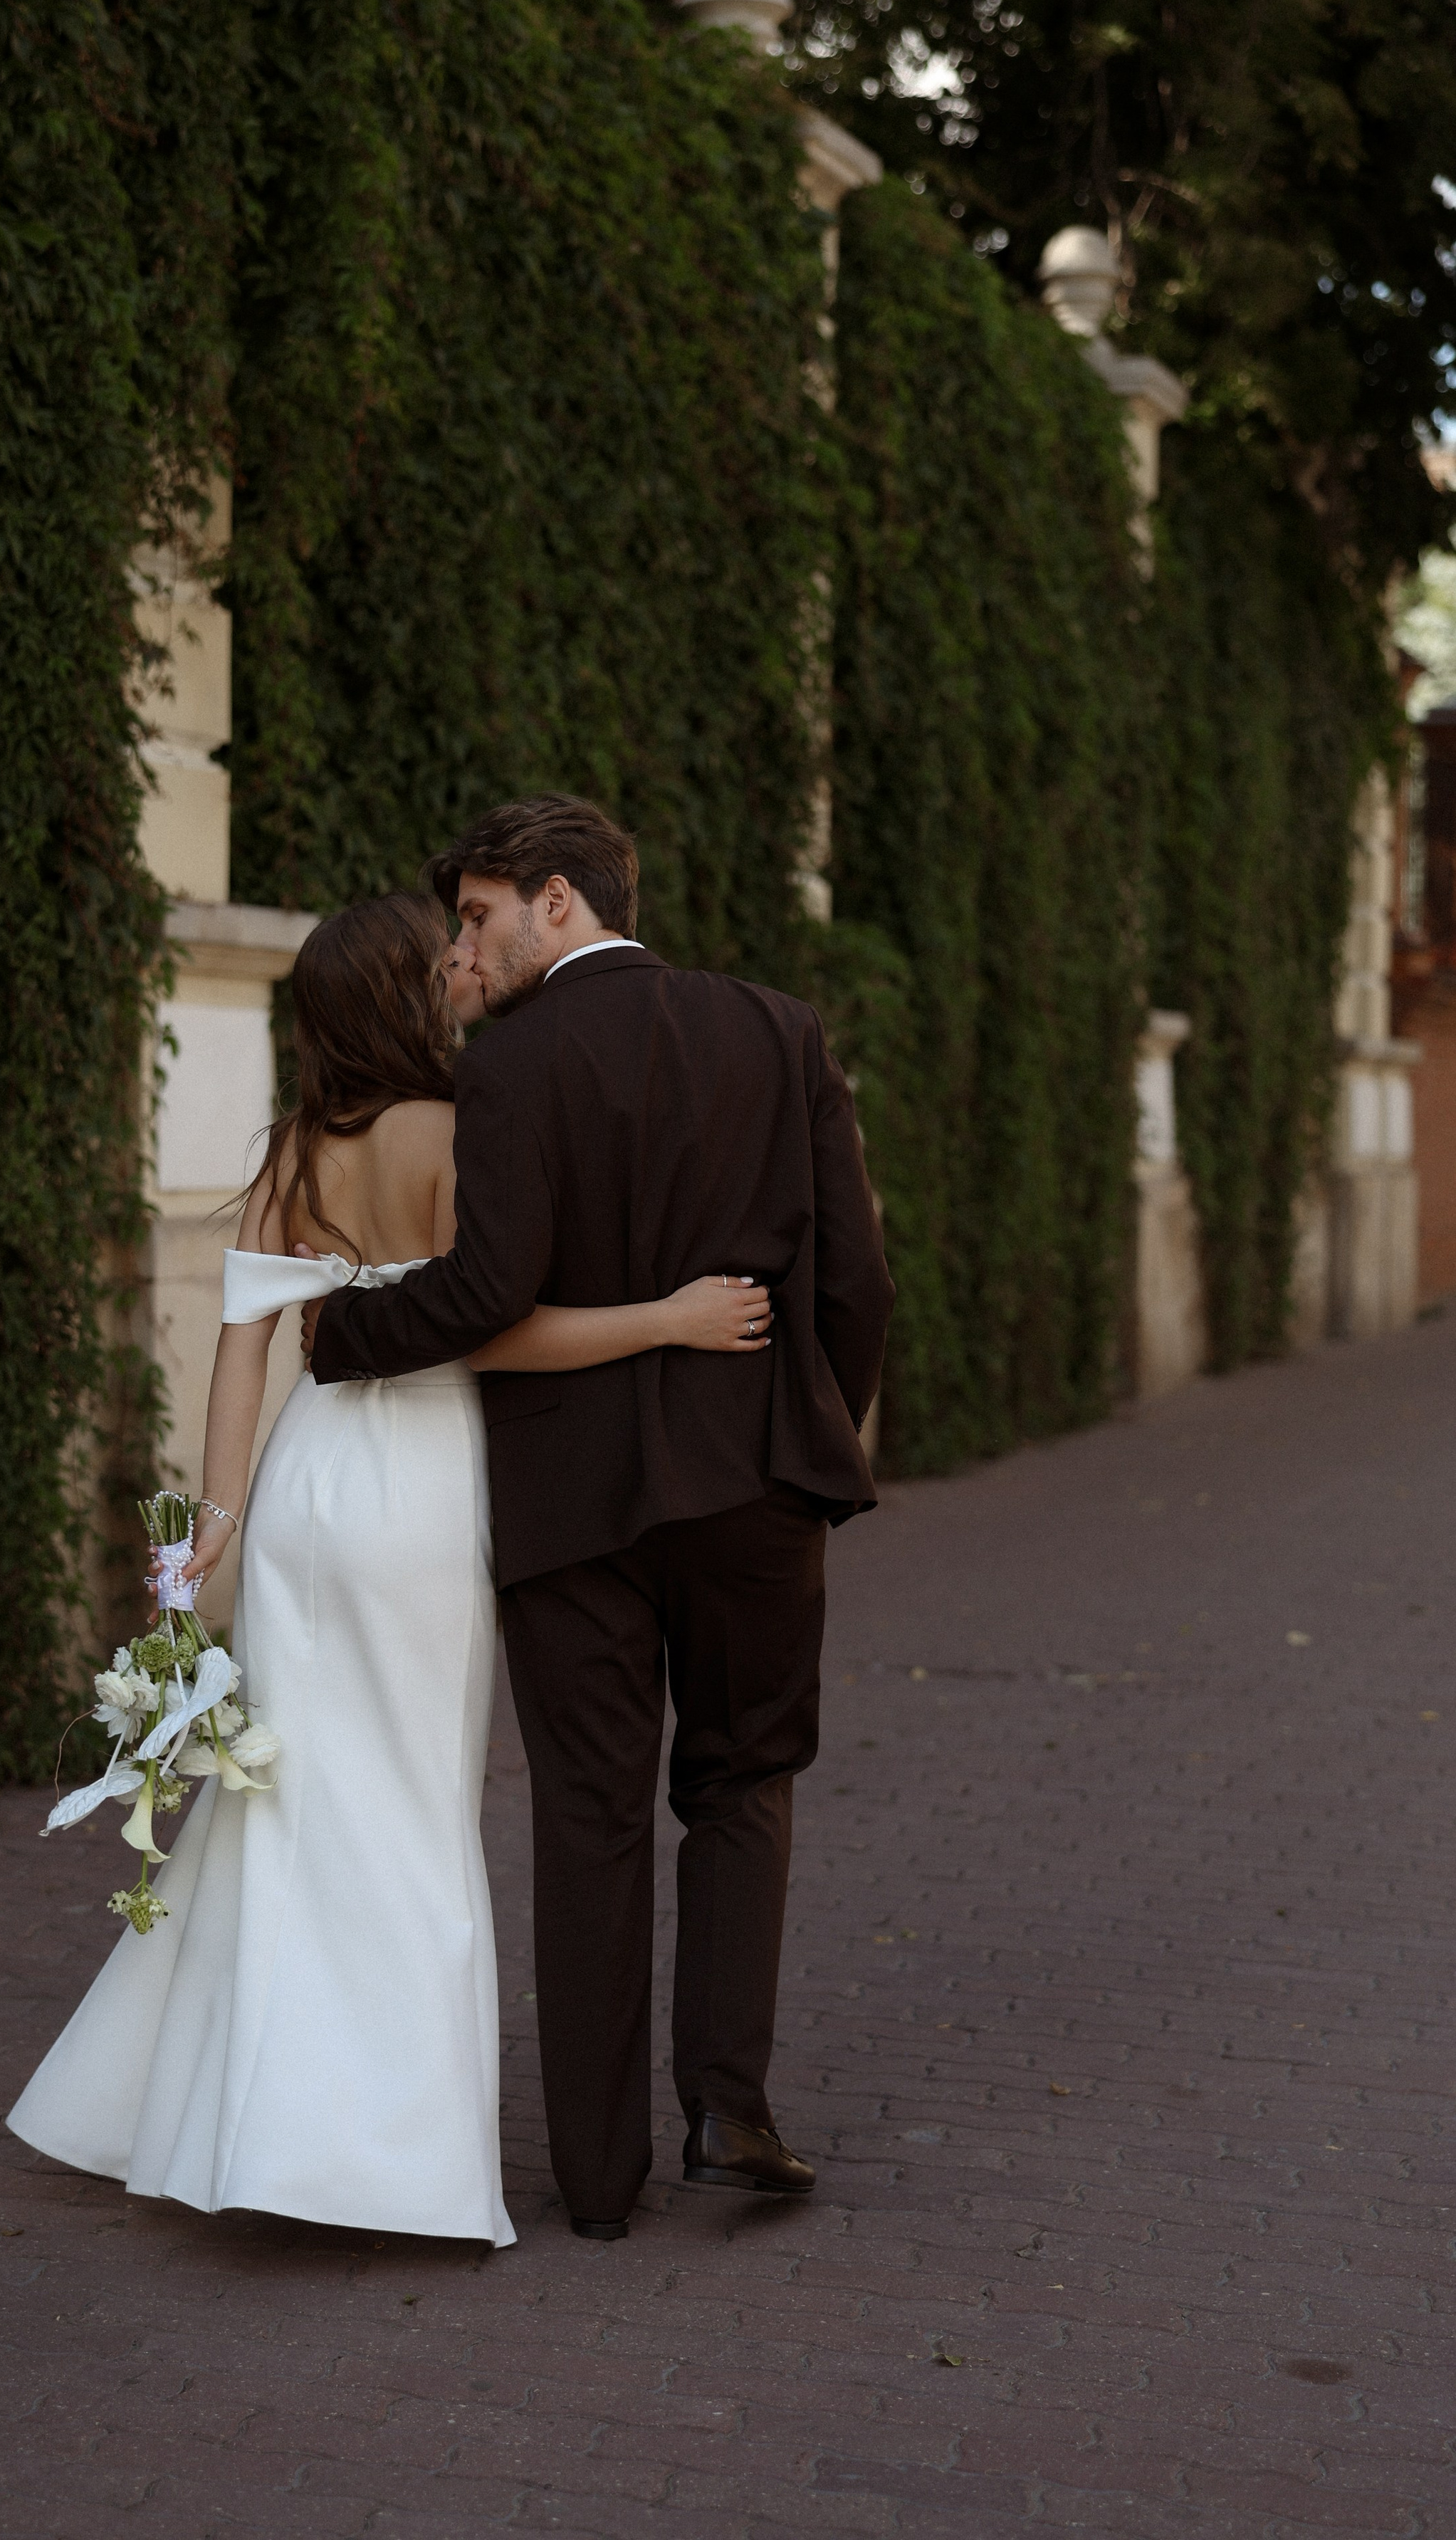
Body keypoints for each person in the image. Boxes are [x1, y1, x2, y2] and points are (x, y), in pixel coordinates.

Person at [6, 889, 773, 2249]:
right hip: (424, 1494)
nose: (464, 972)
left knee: (288, 1802)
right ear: (407, 1000)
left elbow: (244, 1344)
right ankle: (379, 2157)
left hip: (307, 1489)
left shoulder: (298, 1148)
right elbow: (486, 1332)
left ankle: (227, 2113)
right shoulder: (457, 1132)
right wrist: (669, 1316)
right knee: (413, 1813)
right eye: (444, 966)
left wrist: (212, 1537)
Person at [306, 796, 892, 2240]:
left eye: (481, 917)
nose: (468, 946)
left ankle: (592, 2181)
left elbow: (489, 1288)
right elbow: (855, 1284)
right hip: (756, 1479)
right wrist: (814, 1433)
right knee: (743, 1785)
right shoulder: (780, 1032)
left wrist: (335, 1333)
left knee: (586, 1815)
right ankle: (729, 2113)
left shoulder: (512, 1065)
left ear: (559, 901)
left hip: (572, 1502)